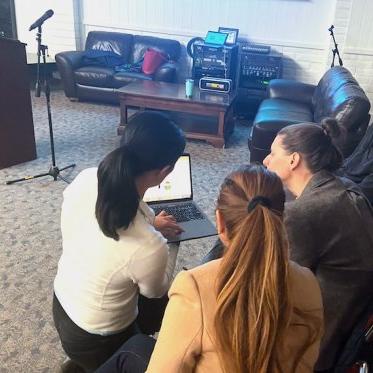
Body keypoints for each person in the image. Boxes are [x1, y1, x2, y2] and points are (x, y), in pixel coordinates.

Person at [97, 164, 324, 373]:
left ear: (220, 222)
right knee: (137, 345)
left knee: (131, 351)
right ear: (280, 219)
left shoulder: (195, 287)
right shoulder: (308, 282)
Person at [52, 111, 186, 372]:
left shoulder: (87, 178)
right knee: (171, 300)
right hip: (99, 337)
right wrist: (170, 243)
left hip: (62, 305)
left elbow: (112, 223)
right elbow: (155, 292)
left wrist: (151, 223)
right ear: (166, 171)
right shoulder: (149, 246)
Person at [263, 118, 373, 372]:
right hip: (350, 326)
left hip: (317, 343)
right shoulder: (345, 189)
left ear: (293, 160)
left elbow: (273, 287)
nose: (266, 161)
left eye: (272, 153)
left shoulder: (303, 213)